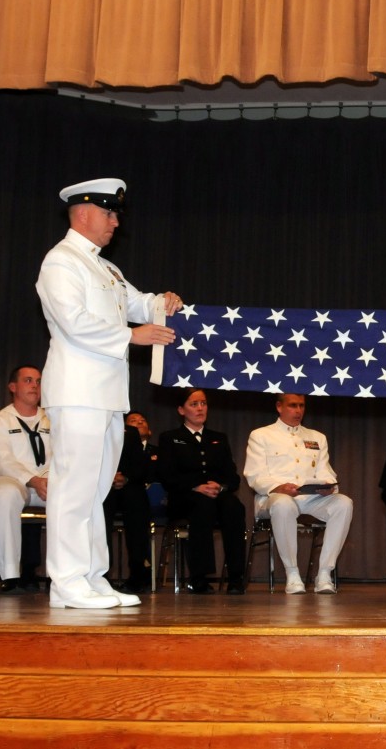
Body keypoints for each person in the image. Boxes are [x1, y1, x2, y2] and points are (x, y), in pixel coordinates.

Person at [35, 177, 182, 609]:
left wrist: (164, 302)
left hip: (106, 395)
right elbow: (73, 322)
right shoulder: (61, 262)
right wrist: (133, 337)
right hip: (77, 391)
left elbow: (139, 304)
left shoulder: (105, 267)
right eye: (109, 213)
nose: (115, 222)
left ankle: (92, 576)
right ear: (83, 214)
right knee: (72, 488)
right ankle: (65, 581)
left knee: (97, 490)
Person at [244, 393, 354, 594]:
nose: (298, 411)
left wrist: (328, 485)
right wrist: (279, 487)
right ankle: (292, 574)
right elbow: (255, 475)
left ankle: (324, 574)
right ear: (279, 407)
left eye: (302, 406)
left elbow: (324, 470)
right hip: (272, 498)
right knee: (283, 504)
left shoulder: (316, 437)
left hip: (309, 497)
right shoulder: (261, 435)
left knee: (343, 503)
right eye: (293, 406)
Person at [157, 389, 248, 594]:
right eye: (194, 404)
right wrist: (196, 486)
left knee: (234, 506)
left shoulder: (218, 438)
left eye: (203, 403)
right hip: (185, 497)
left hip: (217, 495)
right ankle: (199, 577)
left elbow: (232, 477)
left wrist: (221, 486)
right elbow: (167, 475)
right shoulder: (170, 438)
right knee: (202, 505)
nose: (200, 408)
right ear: (181, 410)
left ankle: (236, 577)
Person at [0, 365, 51, 594]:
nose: (34, 385)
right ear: (13, 387)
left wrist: (51, 479)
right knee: (5, 493)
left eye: (38, 381)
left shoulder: (53, 419)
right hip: (14, 480)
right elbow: (0, 459)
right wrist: (32, 479)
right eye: (28, 380)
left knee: (71, 494)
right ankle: (10, 575)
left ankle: (61, 574)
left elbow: (66, 453)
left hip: (47, 482)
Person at [105, 411, 159, 594]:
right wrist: (108, 477)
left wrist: (125, 477)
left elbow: (138, 463)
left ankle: (138, 573)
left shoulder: (130, 433)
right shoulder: (93, 427)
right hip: (102, 484)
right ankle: (100, 573)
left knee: (135, 498)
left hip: (129, 485)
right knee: (100, 507)